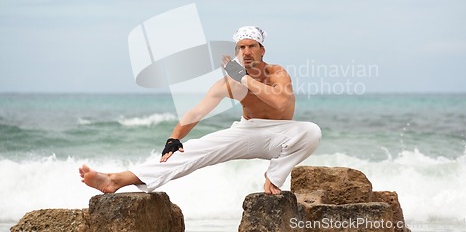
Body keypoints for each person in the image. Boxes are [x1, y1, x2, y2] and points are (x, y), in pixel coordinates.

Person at [79, 26, 321, 195]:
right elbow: (195, 113)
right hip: (248, 132)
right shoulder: (229, 84)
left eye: (252, 46)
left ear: (262, 50)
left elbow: (279, 103)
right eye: (241, 47)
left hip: (282, 134)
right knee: (191, 151)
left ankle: (273, 178)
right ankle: (115, 180)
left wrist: (244, 79)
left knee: (311, 131)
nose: (246, 52)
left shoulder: (276, 73)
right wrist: (174, 137)